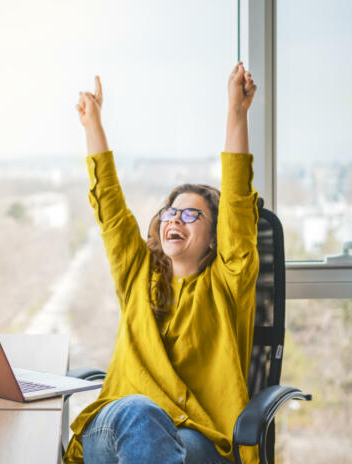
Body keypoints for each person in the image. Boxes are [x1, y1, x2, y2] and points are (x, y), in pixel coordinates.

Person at [65, 62, 260, 464]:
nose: (175, 218)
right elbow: (112, 211)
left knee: (153, 431)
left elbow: (239, 202)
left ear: (214, 238)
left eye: (192, 215)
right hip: (117, 427)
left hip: (196, 440)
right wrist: (93, 126)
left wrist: (236, 113)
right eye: (171, 212)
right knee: (139, 413)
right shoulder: (138, 273)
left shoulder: (228, 283)